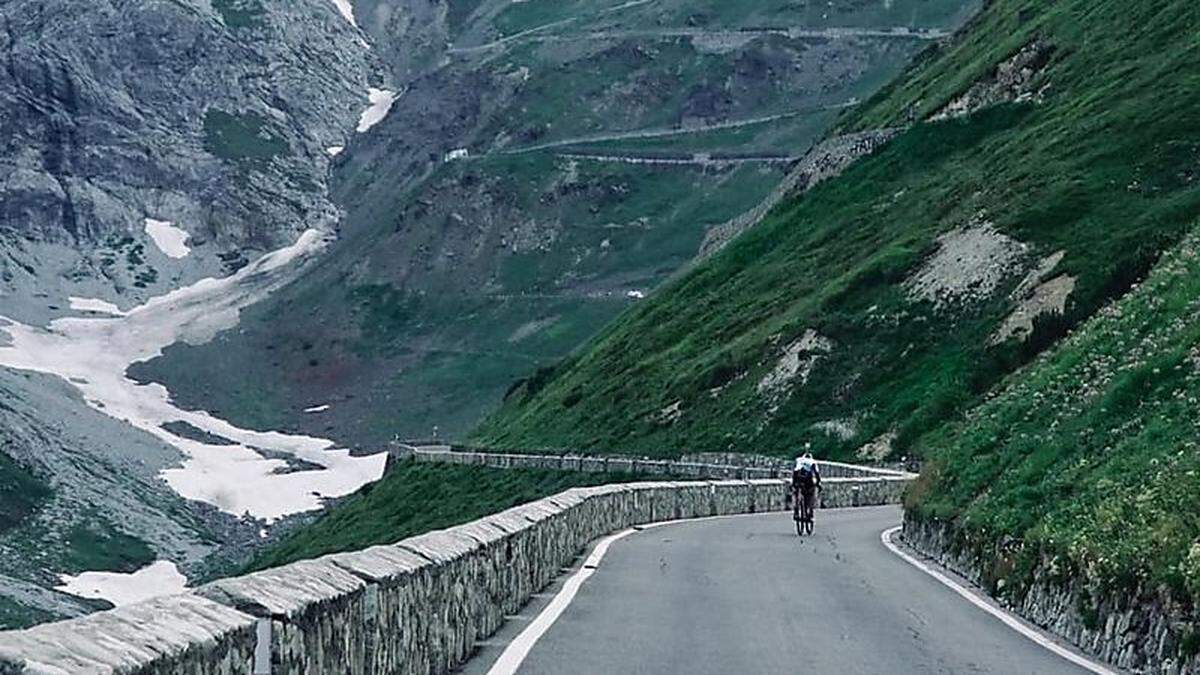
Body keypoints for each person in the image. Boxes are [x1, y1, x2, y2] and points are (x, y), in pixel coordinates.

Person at [791, 450, 821, 523]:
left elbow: (795, 472)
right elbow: (817, 474)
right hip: (808, 480)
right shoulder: (813, 462)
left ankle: (796, 510)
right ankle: (810, 512)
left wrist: (793, 484)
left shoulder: (799, 460)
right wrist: (818, 484)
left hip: (798, 478)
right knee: (811, 495)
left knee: (796, 493)